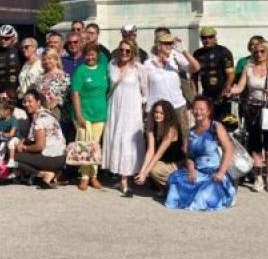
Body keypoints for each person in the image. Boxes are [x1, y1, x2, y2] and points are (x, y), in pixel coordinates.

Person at [164, 96, 236, 211]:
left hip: (215, 173)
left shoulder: (216, 127)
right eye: (195, 109)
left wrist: (221, 172)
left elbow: (228, 149)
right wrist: (191, 170)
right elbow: (189, 156)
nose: (198, 112)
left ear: (208, 111)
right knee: (175, 181)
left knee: (204, 196)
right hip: (198, 172)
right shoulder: (191, 132)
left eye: (202, 109)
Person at [230, 39, 268, 192]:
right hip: (252, 108)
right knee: (255, 142)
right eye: (256, 52)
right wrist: (229, 90)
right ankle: (258, 177)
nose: (259, 54)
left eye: (262, 51)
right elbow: (240, 87)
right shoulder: (248, 68)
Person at [102, 40, 148, 197]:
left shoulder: (139, 68)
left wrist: (142, 109)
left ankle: (125, 180)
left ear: (133, 52)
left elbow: (145, 91)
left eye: (128, 51)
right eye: (121, 50)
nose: (124, 53)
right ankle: (119, 175)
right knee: (116, 139)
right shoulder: (112, 65)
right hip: (115, 108)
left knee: (128, 142)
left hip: (131, 111)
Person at [145, 33, 199, 138]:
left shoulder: (175, 59)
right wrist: (146, 108)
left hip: (177, 105)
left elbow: (196, 67)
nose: (169, 45)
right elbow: (144, 87)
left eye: (171, 43)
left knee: (184, 137)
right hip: (159, 109)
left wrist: (183, 50)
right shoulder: (148, 64)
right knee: (161, 138)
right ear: (159, 45)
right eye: (166, 43)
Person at [71, 43, 109, 190]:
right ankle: (84, 177)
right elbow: (75, 94)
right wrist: (79, 115)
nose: (90, 57)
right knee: (84, 145)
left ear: (97, 55)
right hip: (84, 114)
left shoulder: (103, 69)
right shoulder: (80, 70)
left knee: (95, 145)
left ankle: (94, 176)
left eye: (93, 54)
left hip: (100, 114)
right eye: (87, 54)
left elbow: (109, 89)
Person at [14, 89, 67, 187]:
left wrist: (24, 148)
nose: (26, 104)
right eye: (25, 102)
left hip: (53, 158)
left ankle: (44, 174)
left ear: (38, 102)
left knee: (13, 157)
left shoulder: (40, 119)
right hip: (61, 156)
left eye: (30, 101)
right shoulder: (48, 114)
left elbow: (40, 146)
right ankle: (56, 172)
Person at [135, 100, 184, 196]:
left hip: (175, 163)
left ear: (167, 114)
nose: (158, 115)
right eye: (156, 112)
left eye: (162, 113)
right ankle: (164, 188)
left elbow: (159, 153)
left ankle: (173, 188)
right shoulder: (152, 126)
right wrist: (142, 172)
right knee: (148, 165)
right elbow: (150, 151)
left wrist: (146, 173)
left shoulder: (171, 129)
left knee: (154, 169)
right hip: (162, 162)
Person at [192, 26, 235, 119]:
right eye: (204, 38)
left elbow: (231, 75)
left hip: (223, 95)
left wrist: (225, 90)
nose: (207, 40)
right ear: (201, 39)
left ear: (215, 37)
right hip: (206, 95)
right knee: (207, 121)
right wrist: (195, 95)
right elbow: (194, 77)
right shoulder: (197, 53)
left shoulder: (223, 52)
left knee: (225, 123)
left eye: (210, 37)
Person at [0, 24, 22, 97]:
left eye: (6, 38)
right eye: (1, 38)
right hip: (2, 93)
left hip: (19, 93)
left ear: (13, 38)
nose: (3, 40)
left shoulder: (20, 51)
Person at [0, 97, 21, 166]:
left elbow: (12, 134)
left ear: (8, 111)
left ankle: (12, 160)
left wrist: (2, 134)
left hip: (16, 139)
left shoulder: (13, 120)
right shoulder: (0, 120)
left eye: (1, 111)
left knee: (11, 143)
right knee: (0, 149)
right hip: (5, 139)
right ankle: (0, 164)